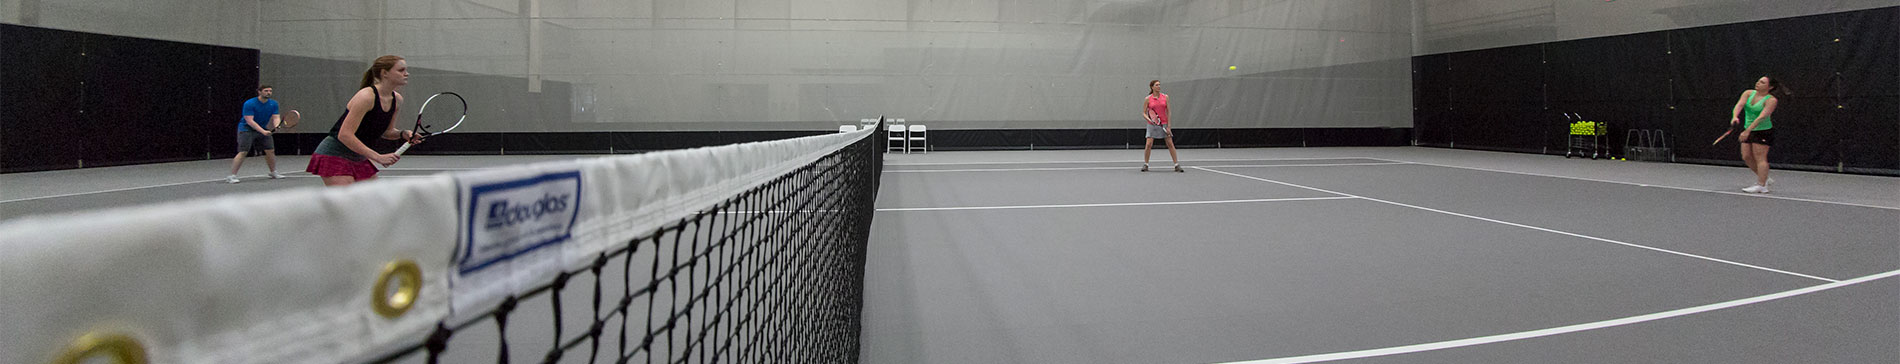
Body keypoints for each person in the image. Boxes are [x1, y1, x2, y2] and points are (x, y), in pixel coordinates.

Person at [305, 55, 422, 187]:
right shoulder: (366, 97)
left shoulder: (397, 100)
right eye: (401, 70)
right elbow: (344, 134)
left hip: (358, 157)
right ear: (384, 73)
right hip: (334, 155)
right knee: (347, 203)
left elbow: (387, 132)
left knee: (372, 201)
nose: (406, 73)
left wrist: (403, 133)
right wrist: (377, 156)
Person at [1729, 76, 1783, 193]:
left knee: (1760, 158)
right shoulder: (1748, 93)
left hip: (1762, 131)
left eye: (1762, 82)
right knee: (1746, 156)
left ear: (1770, 87)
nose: (1758, 83)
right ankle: (1764, 177)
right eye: (1758, 81)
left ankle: (1762, 185)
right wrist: (1735, 116)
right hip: (1747, 129)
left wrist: (1748, 131)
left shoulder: (1771, 100)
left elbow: (1762, 117)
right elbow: (1739, 105)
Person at [226, 85, 286, 183]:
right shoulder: (249, 103)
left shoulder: (274, 104)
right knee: (243, 152)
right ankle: (232, 176)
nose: (268, 93)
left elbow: (276, 117)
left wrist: (276, 125)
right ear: (259, 92)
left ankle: (273, 172)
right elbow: (250, 121)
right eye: (266, 91)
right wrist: (263, 131)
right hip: (246, 129)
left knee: (270, 150)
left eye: (270, 91)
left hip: (263, 128)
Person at [1141, 80, 1183, 172]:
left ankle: (1176, 165)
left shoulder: (1165, 97)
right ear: (1152, 87)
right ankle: (1146, 164)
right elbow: (1144, 113)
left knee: (1170, 144)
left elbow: (1168, 111)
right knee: (1148, 144)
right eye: (1157, 85)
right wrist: (1150, 119)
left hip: (1164, 123)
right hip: (1152, 125)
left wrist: (1169, 125)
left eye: (1159, 85)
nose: (1159, 86)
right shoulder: (1148, 99)